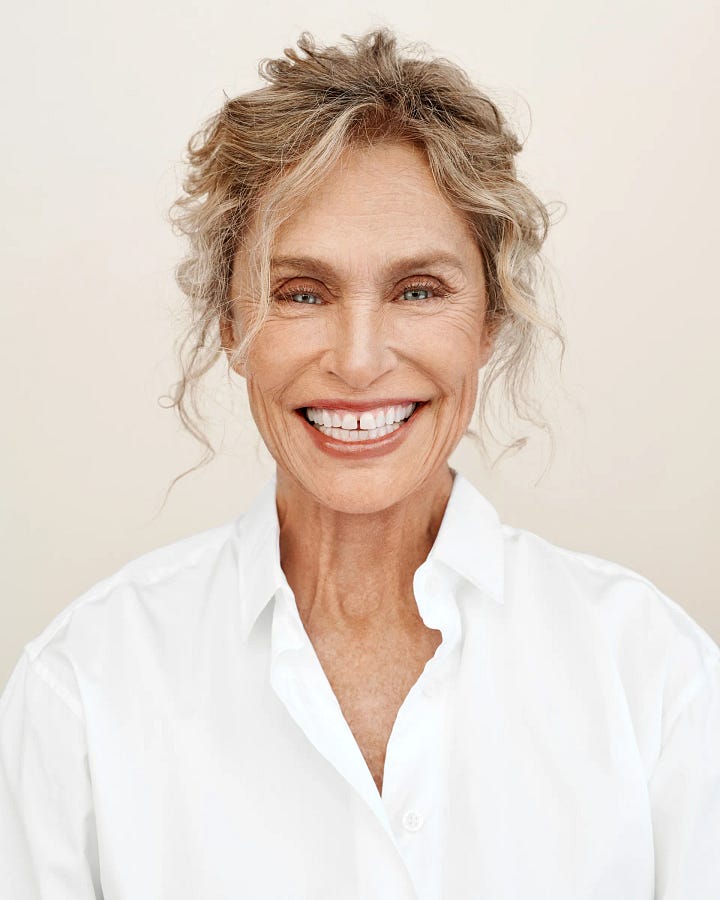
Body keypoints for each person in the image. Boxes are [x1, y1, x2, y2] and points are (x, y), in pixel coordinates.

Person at [1, 28, 718, 900]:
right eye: (301, 292)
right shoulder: (84, 685)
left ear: (489, 320)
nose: (359, 357)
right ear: (230, 325)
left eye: (419, 290)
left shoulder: (655, 677)